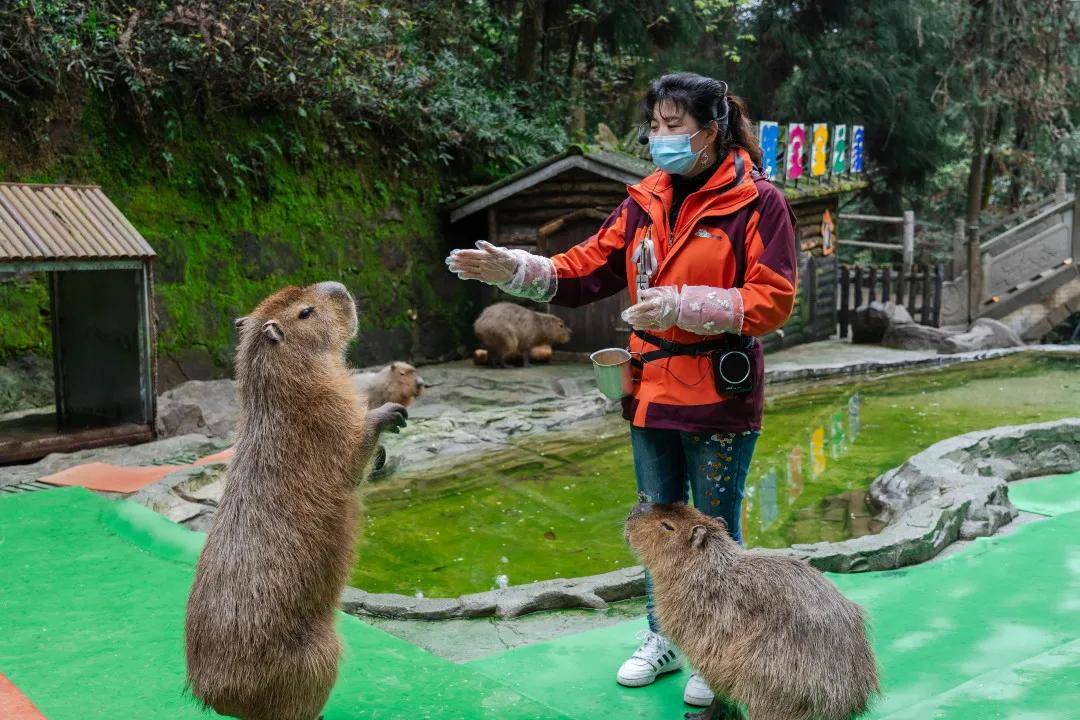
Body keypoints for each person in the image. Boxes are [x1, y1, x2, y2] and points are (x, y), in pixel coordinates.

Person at [445, 71, 797, 708]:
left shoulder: (757, 203)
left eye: (673, 127)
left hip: (720, 389)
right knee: (656, 519)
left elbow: (773, 298)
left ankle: (717, 649)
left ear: (710, 132)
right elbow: (583, 269)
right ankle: (662, 636)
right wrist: (515, 269)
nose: (659, 138)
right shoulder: (645, 200)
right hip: (651, 388)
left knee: (714, 529)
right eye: (654, 127)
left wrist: (686, 306)